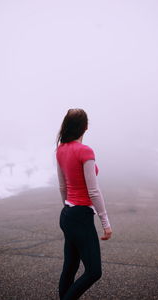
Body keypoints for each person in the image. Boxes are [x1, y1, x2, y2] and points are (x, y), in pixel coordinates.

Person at [56, 108, 112, 300]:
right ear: (85, 127)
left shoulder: (60, 150)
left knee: (70, 268)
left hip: (68, 214)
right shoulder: (85, 151)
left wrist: (68, 209)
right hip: (80, 217)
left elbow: (62, 186)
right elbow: (93, 191)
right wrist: (106, 223)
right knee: (94, 271)